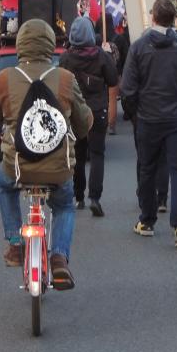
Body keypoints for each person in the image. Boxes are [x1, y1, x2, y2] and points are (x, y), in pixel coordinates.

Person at [0, 19, 93, 289]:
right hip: (58, 168)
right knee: (65, 204)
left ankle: (15, 242)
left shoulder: (5, 78)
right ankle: (58, 258)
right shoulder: (66, 79)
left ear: (20, 44)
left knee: (4, 185)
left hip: (17, 164)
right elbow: (83, 122)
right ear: (49, 44)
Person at [121, 0, 177, 247]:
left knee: (147, 168)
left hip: (148, 117)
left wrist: (134, 114)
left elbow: (128, 88)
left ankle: (147, 220)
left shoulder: (139, 47)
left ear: (153, 17)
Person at [59, 16, 119, 217]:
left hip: (75, 111)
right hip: (97, 109)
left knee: (77, 153)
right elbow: (112, 80)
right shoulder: (101, 56)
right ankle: (95, 197)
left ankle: (79, 196)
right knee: (97, 154)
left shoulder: (66, 58)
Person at [94, 14, 121, 134]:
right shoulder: (119, 39)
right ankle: (111, 124)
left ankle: (100, 121)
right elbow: (123, 56)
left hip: (98, 73)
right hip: (114, 72)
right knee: (112, 99)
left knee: (100, 98)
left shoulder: (94, 38)